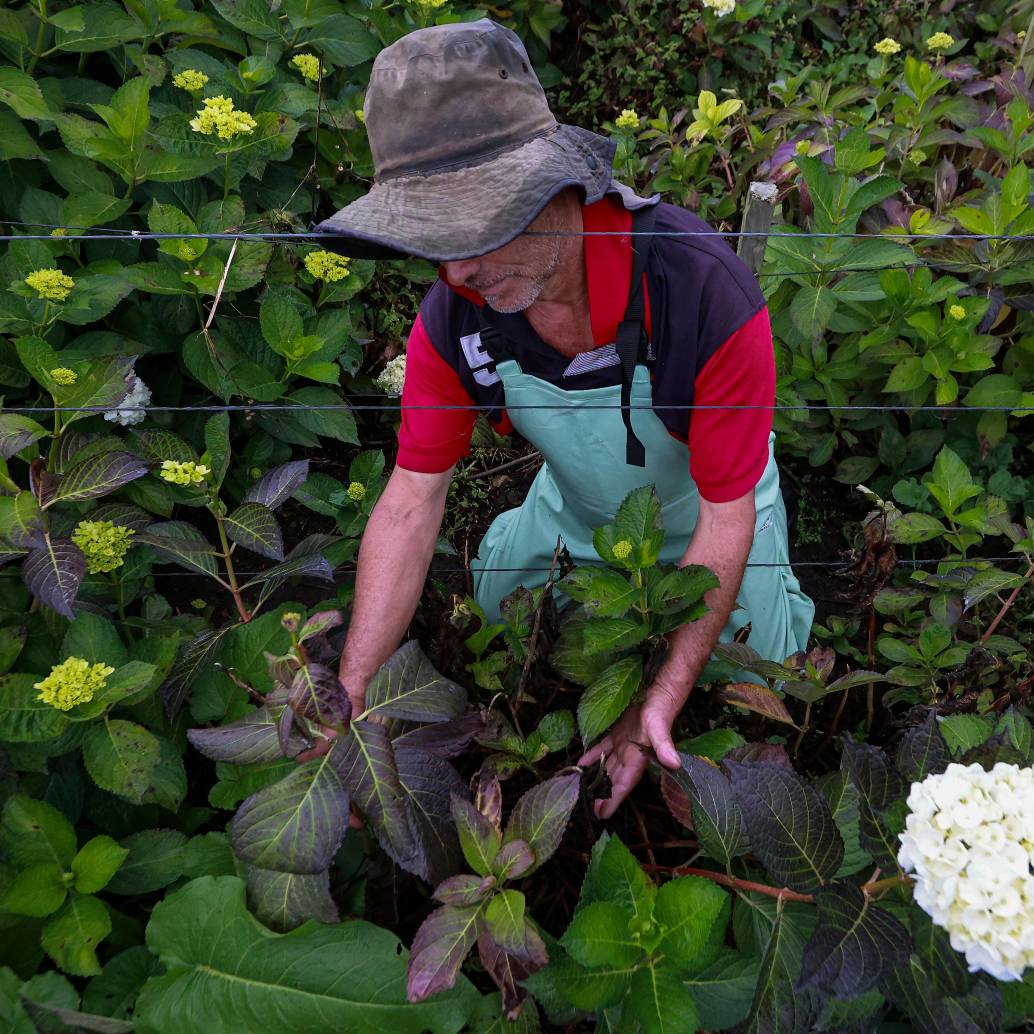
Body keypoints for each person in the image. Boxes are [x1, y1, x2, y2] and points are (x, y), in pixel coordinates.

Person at [311, 18, 814, 817]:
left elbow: (725, 513)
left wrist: (660, 694)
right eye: (432, 241)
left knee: (750, 671)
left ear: (555, 184)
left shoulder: (702, 293)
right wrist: (351, 688)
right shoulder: (455, 320)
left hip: (714, 517)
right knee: (504, 617)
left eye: (479, 226)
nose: (458, 270)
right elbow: (412, 498)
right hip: (573, 512)